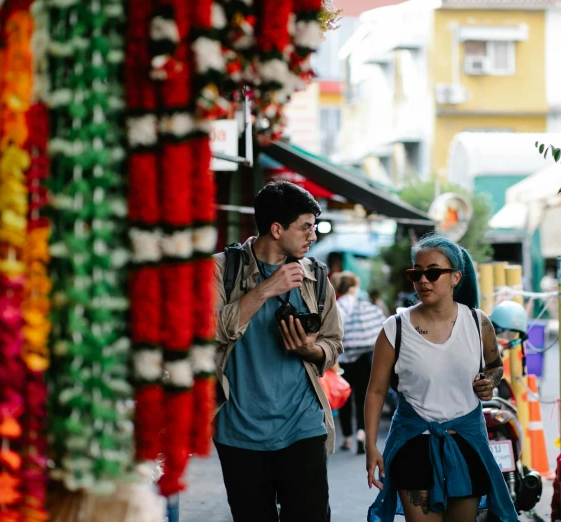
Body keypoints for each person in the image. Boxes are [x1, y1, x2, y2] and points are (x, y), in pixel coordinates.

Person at [212, 181, 343, 522]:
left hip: (303, 428)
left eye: (313, 228)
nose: (312, 236)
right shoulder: (220, 270)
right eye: (305, 228)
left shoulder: (315, 276)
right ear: (276, 228)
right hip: (238, 430)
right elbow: (206, 330)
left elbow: (334, 343)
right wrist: (267, 289)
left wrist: (310, 350)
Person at [364, 236, 519, 522]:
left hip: (466, 442)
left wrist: (490, 381)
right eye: (416, 273)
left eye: (433, 272)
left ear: (455, 278)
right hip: (413, 443)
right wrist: (371, 446)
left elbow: (495, 365)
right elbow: (375, 391)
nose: (424, 280)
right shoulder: (395, 328)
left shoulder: (477, 322)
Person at [332, 271, 387, 454]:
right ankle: (361, 432)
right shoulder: (361, 304)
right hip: (363, 357)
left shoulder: (336, 306)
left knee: (345, 398)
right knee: (363, 396)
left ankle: (347, 437)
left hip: (343, 359)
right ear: (353, 287)